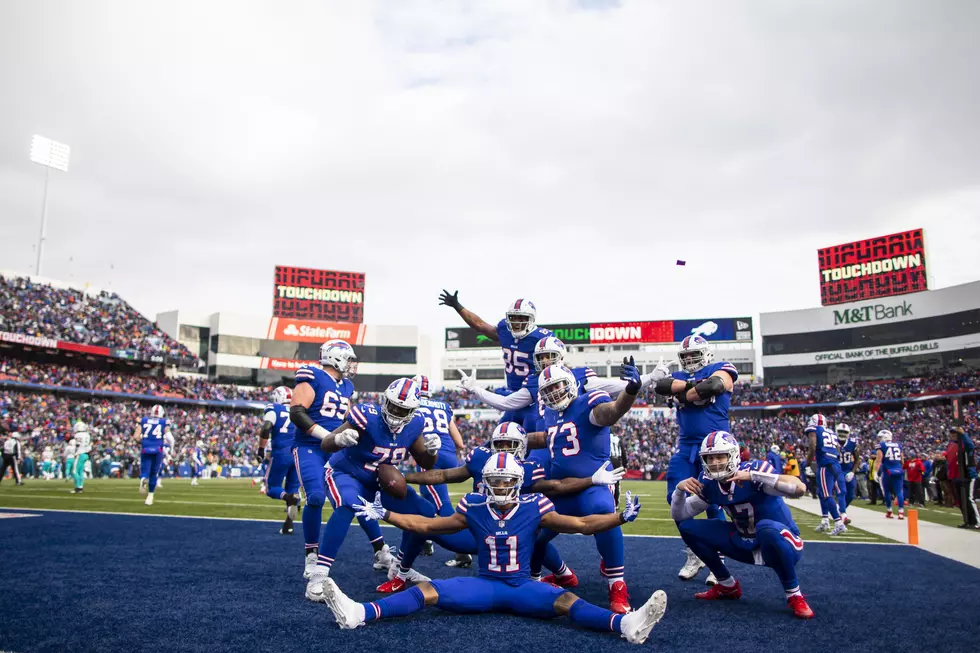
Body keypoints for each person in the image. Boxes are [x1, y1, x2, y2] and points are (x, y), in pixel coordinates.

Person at [319, 453, 668, 645]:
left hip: (521, 586)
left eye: (507, 482)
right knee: (426, 591)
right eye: (495, 482)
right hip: (483, 584)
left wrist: (619, 517)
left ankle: (625, 626)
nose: (500, 487)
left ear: (518, 483)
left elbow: (582, 524)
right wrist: (389, 514)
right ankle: (359, 614)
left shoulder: (535, 505)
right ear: (485, 484)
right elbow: (427, 526)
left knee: (567, 601)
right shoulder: (473, 505)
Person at [400, 421, 625, 593]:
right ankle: (402, 573)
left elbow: (557, 486)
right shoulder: (479, 458)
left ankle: (562, 573)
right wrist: (405, 478)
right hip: (475, 528)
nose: (505, 449)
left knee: (533, 529)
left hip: (509, 533)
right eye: (500, 444)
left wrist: (591, 480)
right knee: (421, 520)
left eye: (511, 445)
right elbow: (445, 474)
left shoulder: (529, 469)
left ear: (523, 447)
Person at [304, 377, 443, 601]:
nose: (396, 412)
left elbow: (426, 463)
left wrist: (432, 451)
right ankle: (318, 575)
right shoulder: (366, 415)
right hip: (347, 472)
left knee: (425, 512)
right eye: (393, 405)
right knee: (348, 504)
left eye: (402, 409)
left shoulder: (416, 424)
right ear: (384, 400)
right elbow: (325, 443)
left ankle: (401, 569)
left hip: (381, 482)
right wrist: (339, 438)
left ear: (412, 411)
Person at [525, 358, 643, 613]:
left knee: (604, 514)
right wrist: (512, 439)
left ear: (570, 384)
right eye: (548, 390)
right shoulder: (551, 416)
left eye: (557, 386)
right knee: (529, 525)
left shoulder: (587, 402)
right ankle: (541, 579)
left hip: (594, 485)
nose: (554, 393)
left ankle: (617, 587)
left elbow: (611, 412)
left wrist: (630, 391)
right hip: (562, 489)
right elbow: (547, 438)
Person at [670, 431, 814, 619]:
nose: (715, 463)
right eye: (709, 458)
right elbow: (680, 515)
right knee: (688, 528)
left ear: (733, 455)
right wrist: (679, 492)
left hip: (784, 542)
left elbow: (799, 489)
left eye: (720, 456)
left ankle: (794, 595)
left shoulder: (755, 469)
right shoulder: (710, 483)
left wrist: (754, 476)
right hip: (744, 540)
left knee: (767, 529)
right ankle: (727, 586)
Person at [289, 340, 393, 578]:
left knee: (357, 498)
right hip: (310, 446)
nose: (352, 364)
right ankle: (312, 555)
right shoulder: (312, 375)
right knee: (315, 497)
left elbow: (348, 417)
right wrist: (328, 437)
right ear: (335, 357)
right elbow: (296, 412)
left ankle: (380, 550)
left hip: (337, 448)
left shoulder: (346, 386)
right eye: (349, 358)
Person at [653, 335, 738, 585]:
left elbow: (713, 386)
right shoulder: (679, 374)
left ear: (706, 354)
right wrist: (693, 389)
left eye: (694, 355)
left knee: (713, 501)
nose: (690, 359)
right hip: (686, 446)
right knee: (676, 500)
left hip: (716, 446)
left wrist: (684, 391)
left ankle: (718, 559)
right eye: (686, 356)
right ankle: (695, 553)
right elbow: (660, 386)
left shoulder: (722, 367)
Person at [438, 290, 552, 426]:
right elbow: (479, 325)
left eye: (521, 318)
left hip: (533, 398)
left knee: (530, 440)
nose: (516, 323)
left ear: (531, 319)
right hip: (512, 394)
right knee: (501, 439)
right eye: (514, 318)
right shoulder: (505, 330)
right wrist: (458, 306)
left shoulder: (541, 338)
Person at [411, 373, 468, 566]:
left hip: (430, 456)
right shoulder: (444, 406)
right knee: (426, 497)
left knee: (442, 504)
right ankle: (425, 540)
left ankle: (463, 550)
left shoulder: (414, 406)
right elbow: (460, 442)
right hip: (450, 456)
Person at [258, 386, 301, 534]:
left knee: (271, 488)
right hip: (297, 454)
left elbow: (266, 427)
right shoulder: (299, 410)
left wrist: (261, 449)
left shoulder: (274, 408)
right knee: (294, 490)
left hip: (281, 453)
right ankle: (288, 525)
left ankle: (287, 497)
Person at [804, 414, 846, 534]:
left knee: (827, 495)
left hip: (825, 464)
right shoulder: (832, 432)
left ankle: (839, 522)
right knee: (822, 493)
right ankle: (825, 520)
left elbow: (812, 447)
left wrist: (808, 463)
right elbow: (838, 449)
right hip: (835, 463)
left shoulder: (814, 429)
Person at [135, 404, 171, 506]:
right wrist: (171, 448)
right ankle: (150, 496)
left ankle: (143, 479)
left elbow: (136, 437)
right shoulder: (164, 422)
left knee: (145, 471)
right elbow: (169, 437)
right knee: (154, 473)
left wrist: (144, 442)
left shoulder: (144, 420)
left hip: (146, 449)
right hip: (158, 449)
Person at [946, 426, 979, 528]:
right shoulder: (951, 446)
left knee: (969, 499)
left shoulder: (965, 445)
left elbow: (970, 446)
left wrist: (963, 434)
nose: (953, 436)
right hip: (956, 477)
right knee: (961, 501)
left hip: (967, 475)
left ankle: (976, 521)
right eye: (952, 434)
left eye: (956, 434)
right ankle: (967, 520)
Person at [874, 430, 905, 520]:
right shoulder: (898, 445)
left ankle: (889, 512)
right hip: (898, 470)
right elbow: (902, 460)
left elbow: (879, 459)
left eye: (880, 438)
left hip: (887, 470)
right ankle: (901, 513)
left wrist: (875, 472)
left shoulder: (882, 445)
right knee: (899, 492)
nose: (879, 440)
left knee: (887, 491)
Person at [836, 423, 858, 517]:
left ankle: (841, 509)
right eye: (840, 431)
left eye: (844, 432)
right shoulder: (833, 442)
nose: (842, 434)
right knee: (842, 491)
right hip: (837, 470)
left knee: (851, 495)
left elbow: (857, 460)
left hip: (848, 470)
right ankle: (843, 514)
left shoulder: (852, 443)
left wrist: (853, 472)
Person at [70, 421, 92, 494]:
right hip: (86, 454)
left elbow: (77, 445)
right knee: (81, 471)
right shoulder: (87, 434)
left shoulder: (78, 435)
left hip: (80, 453)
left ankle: (77, 487)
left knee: (75, 471)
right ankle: (80, 486)